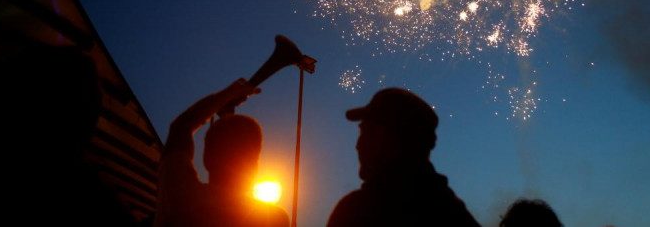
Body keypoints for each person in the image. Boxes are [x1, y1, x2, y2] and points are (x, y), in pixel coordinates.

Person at [327, 87, 480, 227]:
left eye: (367, 132)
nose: (358, 145)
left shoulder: (356, 211)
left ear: (393, 139)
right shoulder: (451, 210)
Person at [154, 77, 289, 227]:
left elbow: (181, 127)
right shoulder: (274, 219)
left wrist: (229, 93)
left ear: (207, 158)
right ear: (255, 165)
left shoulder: (182, 196)